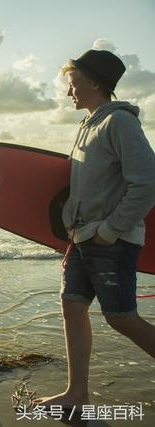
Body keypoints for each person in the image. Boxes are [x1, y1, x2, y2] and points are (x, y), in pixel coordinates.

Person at [36, 49, 155, 410]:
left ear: (95, 82)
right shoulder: (89, 124)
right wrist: (68, 234)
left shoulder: (119, 123)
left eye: (73, 82)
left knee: (120, 317)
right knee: (71, 306)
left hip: (110, 240)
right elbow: (83, 189)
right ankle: (76, 393)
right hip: (82, 238)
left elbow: (147, 182)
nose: (69, 90)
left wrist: (110, 230)